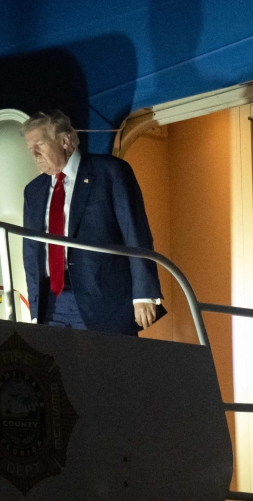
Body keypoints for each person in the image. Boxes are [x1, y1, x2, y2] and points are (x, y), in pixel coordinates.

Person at [21, 110, 164, 335]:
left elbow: (135, 232)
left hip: (102, 299)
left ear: (65, 140)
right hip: (51, 304)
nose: (35, 154)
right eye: (31, 149)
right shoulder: (33, 191)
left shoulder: (110, 172)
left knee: (106, 369)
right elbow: (30, 253)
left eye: (40, 144)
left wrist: (143, 294)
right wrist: (35, 308)